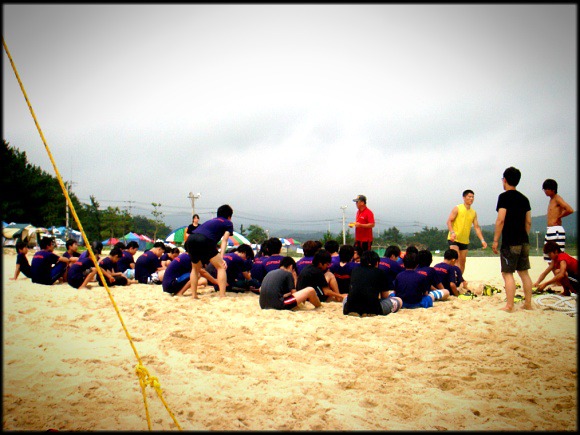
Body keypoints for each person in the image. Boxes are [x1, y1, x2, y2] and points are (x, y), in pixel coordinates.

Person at [492, 166, 533, 312]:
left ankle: (509, 305)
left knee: (507, 273)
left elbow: (500, 220)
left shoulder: (504, 197)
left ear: (505, 180)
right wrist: (524, 235)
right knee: (524, 273)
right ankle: (528, 304)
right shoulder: (524, 199)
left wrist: (495, 240)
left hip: (510, 241)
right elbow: (528, 221)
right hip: (524, 240)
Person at [184, 204, 234, 298]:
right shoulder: (228, 223)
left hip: (191, 239)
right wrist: (222, 257)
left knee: (195, 269)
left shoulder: (211, 221)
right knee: (221, 267)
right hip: (205, 240)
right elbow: (225, 240)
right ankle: (222, 295)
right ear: (229, 216)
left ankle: (194, 295)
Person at [343, 250, 402, 316]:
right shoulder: (380, 272)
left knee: (345, 298)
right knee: (399, 300)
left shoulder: (354, 270)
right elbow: (385, 296)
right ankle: (367, 312)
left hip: (350, 308)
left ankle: (357, 312)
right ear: (376, 263)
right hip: (373, 309)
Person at [445, 190, 487, 274]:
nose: (471, 198)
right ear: (464, 198)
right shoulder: (457, 208)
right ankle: (454, 277)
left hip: (464, 240)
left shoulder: (473, 212)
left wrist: (482, 240)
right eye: (469, 197)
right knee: (456, 259)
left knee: (462, 261)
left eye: (472, 197)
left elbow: (476, 227)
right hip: (454, 238)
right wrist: (452, 232)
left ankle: (460, 278)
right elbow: (449, 221)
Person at [541, 179, 574, 262]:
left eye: (546, 189)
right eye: (544, 189)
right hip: (551, 229)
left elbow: (569, 209)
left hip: (556, 230)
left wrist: (559, 217)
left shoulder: (557, 198)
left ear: (552, 189)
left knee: (557, 257)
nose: (545, 191)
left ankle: (561, 270)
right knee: (548, 255)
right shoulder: (552, 199)